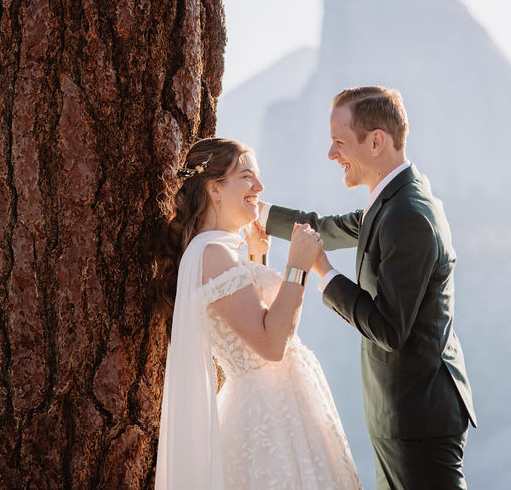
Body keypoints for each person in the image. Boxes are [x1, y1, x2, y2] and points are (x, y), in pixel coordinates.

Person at [259, 86, 477, 490]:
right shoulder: (391, 202)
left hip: (418, 418)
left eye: (339, 142)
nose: (331, 154)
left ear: (376, 141)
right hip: (403, 414)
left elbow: (390, 330)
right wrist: (257, 213)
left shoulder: (408, 215)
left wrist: (322, 269)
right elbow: (321, 227)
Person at [155, 137, 361, 489]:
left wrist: (257, 260)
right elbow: (269, 344)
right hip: (267, 417)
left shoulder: (218, 251)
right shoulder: (211, 252)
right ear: (215, 189)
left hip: (278, 407)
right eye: (247, 176)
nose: (260, 187)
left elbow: (250, 321)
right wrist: (298, 265)